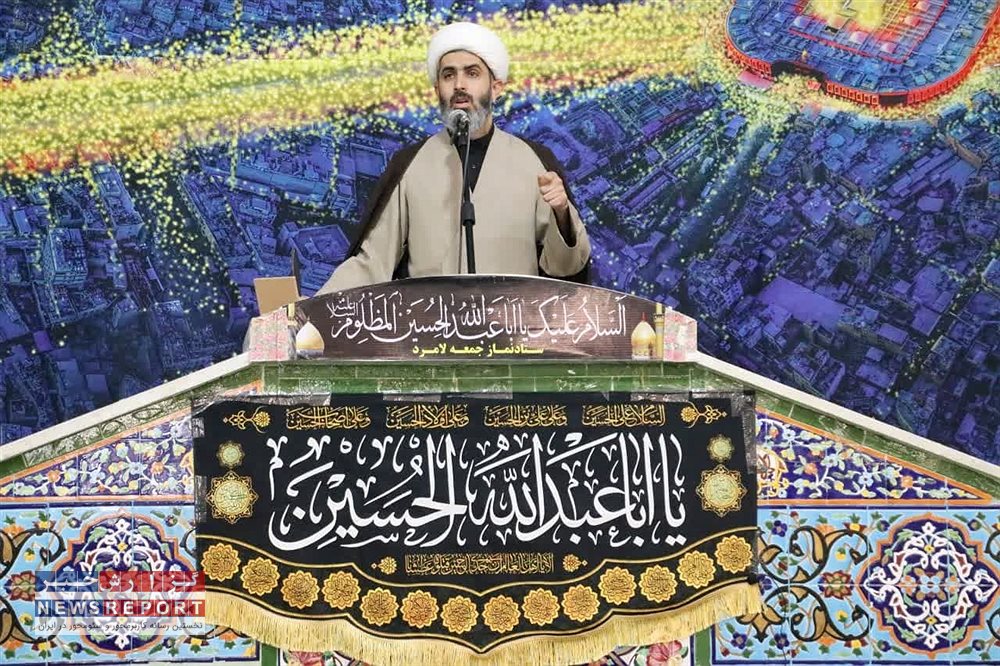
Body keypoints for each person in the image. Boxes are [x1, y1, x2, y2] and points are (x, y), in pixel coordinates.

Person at [316, 21, 591, 295]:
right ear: (438, 89)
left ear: (496, 87)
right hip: (431, 321)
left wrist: (561, 213)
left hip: (511, 319)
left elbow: (564, 268)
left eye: (472, 73)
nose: (459, 85)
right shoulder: (411, 164)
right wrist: (309, 310)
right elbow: (372, 262)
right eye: (449, 76)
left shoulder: (533, 161)